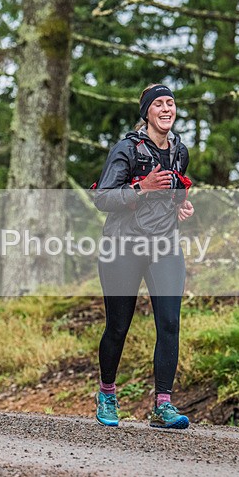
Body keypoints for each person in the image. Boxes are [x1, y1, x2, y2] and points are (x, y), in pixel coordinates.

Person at [92, 84, 194, 429]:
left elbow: (174, 189)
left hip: (164, 246)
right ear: (147, 112)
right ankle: (107, 393)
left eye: (171, 102)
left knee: (169, 322)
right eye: (159, 104)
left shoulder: (180, 150)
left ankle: (163, 405)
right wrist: (142, 188)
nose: (167, 108)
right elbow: (103, 197)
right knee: (119, 326)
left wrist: (181, 204)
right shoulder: (127, 150)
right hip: (123, 246)